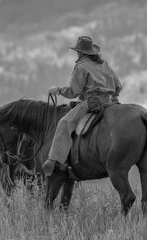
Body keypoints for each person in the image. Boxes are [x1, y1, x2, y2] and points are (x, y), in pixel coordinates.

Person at [41, 36, 123, 176]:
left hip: (91, 102)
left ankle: (55, 161)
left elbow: (74, 91)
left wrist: (59, 90)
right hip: (107, 102)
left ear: (81, 52)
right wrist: (114, 98)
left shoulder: (81, 67)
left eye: (77, 51)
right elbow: (118, 85)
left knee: (64, 123)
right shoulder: (104, 64)